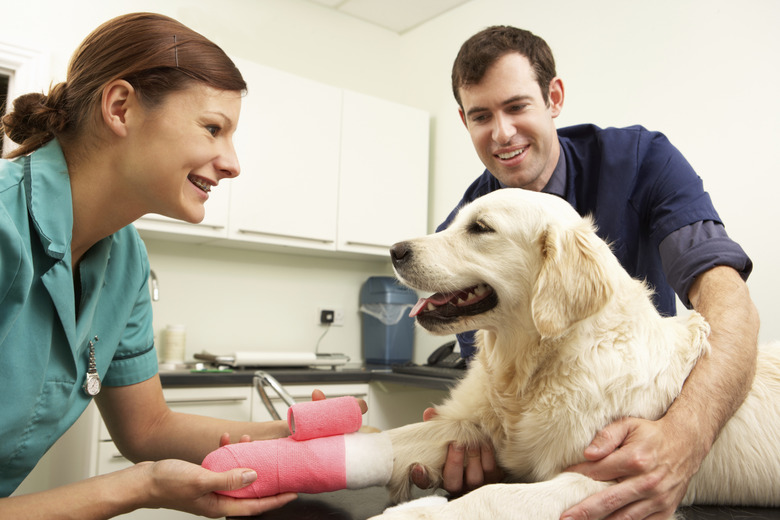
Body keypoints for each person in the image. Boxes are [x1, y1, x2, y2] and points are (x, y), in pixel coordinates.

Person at [0, 12, 364, 519]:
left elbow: (148, 429)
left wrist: (289, 434)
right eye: (213, 128)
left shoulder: (125, 260)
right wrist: (140, 488)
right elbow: (144, 465)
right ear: (121, 108)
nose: (233, 162)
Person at [412, 25, 759, 520]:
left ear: (553, 97)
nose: (502, 133)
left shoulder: (643, 163)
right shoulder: (472, 222)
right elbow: (496, 385)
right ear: (464, 120)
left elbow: (731, 306)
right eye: (481, 116)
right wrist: (479, 447)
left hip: (640, 416)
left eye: (516, 107)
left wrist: (684, 438)